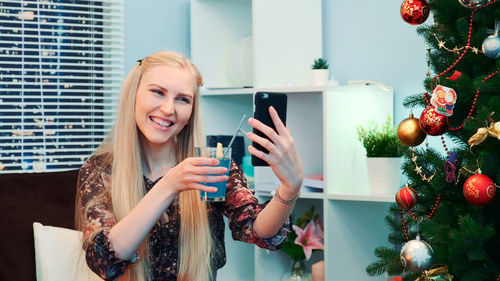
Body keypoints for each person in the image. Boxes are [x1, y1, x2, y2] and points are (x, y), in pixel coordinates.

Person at [75, 51, 303, 281]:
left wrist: (290, 188)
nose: (167, 109)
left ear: (191, 112)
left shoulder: (211, 166)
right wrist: (169, 185)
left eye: (182, 99)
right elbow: (104, 260)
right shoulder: (100, 171)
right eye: (157, 92)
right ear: (133, 95)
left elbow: (258, 230)